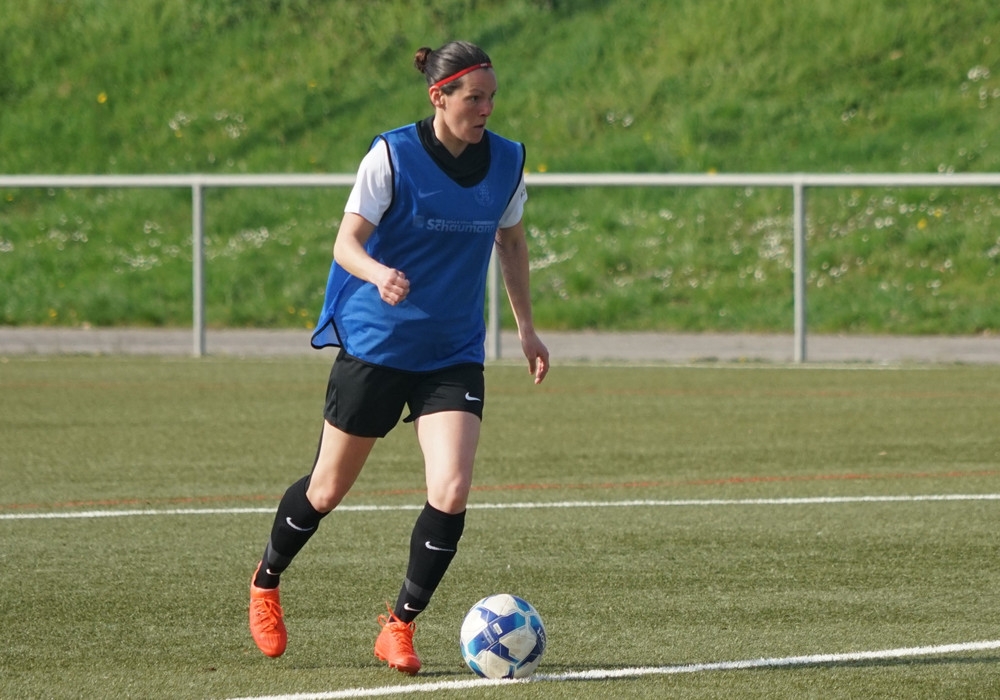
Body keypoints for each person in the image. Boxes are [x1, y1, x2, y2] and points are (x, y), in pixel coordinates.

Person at [247, 40, 550, 675]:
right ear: (439, 97)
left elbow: (513, 243)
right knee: (326, 489)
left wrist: (526, 328)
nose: (487, 109)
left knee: (452, 488)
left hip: (452, 351)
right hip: (378, 345)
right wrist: (378, 273)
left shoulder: (507, 161)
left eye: (492, 97)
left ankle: (400, 626)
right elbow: (346, 243)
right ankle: (267, 580)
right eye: (475, 98)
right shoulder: (391, 155)